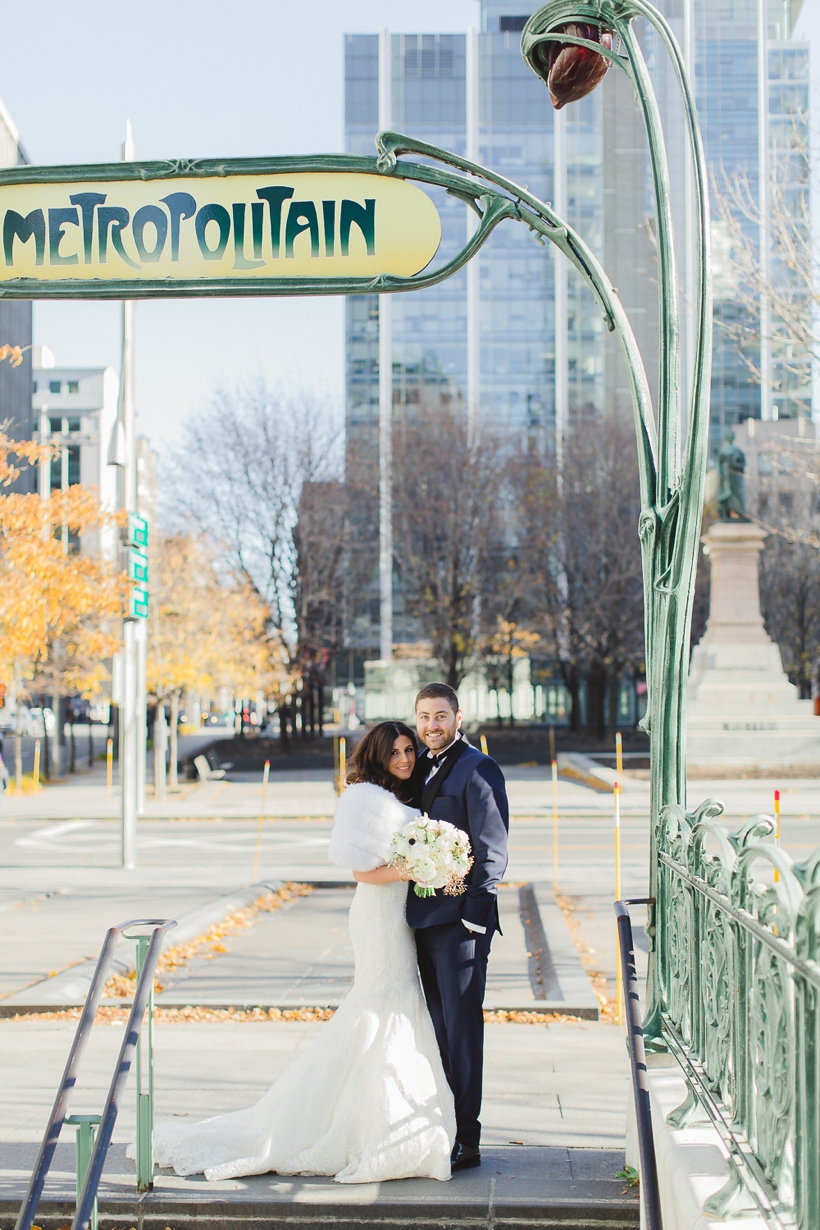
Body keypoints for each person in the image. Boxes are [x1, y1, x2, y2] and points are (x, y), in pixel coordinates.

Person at [148, 720, 455, 1184]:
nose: (405, 759)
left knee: (393, 1004)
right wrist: (417, 870)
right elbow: (362, 871)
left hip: (399, 916)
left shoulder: (397, 798)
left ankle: (381, 1120)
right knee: (381, 1002)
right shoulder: (365, 798)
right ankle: (355, 1128)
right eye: (394, 752)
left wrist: (429, 863)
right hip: (377, 915)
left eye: (409, 749)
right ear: (376, 755)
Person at [408, 683, 509, 1172]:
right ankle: (442, 1125)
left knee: (463, 1030)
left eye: (441, 716)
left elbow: (492, 850)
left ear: (458, 717)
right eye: (424, 717)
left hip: (461, 927)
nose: (432, 725)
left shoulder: (478, 767)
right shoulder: (419, 766)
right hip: (422, 924)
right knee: (437, 1028)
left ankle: (467, 1137)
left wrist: (473, 916)